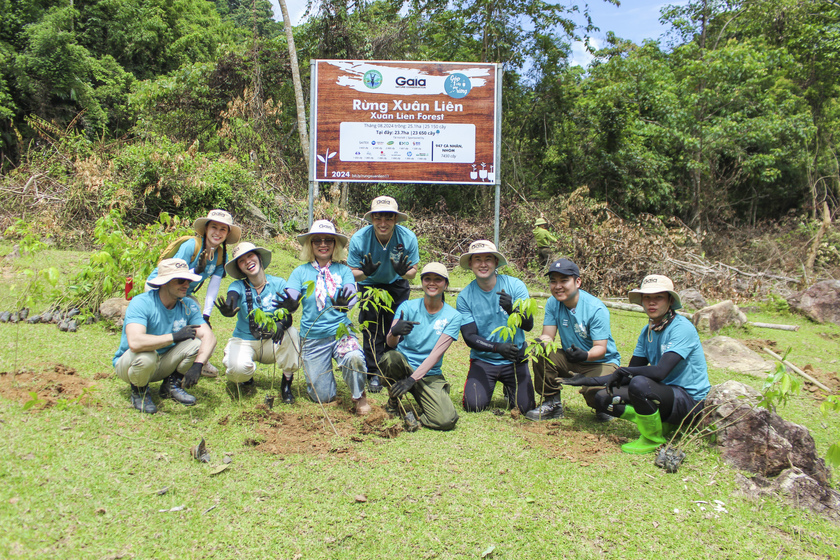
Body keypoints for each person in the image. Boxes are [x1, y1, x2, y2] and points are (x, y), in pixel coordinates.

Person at [562, 275, 711, 454]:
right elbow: (625, 375)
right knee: (601, 398)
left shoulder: (681, 328)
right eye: (647, 298)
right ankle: (661, 424)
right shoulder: (648, 331)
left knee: (639, 384)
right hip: (663, 393)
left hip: (689, 400)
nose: (652, 303)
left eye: (658, 297)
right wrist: (586, 380)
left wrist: (625, 371)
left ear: (670, 300)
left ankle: (653, 438)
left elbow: (660, 372)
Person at [286, 220, 370, 415]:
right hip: (313, 337)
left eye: (328, 241)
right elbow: (291, 294)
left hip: (340, 331)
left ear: (335, 245)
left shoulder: (344, 271)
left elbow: (351, 293)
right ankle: (327, 379)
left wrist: (345, 305)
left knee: (354, 357)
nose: (323, 244)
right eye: (317, 241)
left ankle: (359, 395)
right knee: (322, 397)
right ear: (310, 245)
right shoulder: (300, 272)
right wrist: (290, 304)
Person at [113, 258, 217, 413]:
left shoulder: (187, 304)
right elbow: (135, 342)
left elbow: (209, 337)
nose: (187, 285)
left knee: (197, 344)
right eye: (181, 281)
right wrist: (174, 337)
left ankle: (171, 385)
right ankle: (139, 391)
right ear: (165, 282)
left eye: (188, 280)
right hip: (131, 363)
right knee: (146, 356)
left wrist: (198, 364)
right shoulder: (141, 303)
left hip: (162, 363)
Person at [147, 209, 241, 378]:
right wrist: (195, 270)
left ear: (227, 234)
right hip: (160, 287)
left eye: (223, 229)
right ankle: (159, 358)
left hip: (183, 294)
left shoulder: (221, 255)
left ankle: (199, 359)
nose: (217, 233)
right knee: (170, 322)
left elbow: (213, 287)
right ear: (206, 229)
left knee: (198, 321)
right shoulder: (191, 246)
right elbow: (172, 277)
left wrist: (206, 315)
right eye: (214, 227)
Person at [526, 258, 621, 422]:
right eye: (553, 281)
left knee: (597, 396)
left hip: (601, 362)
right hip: (571, 358)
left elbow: (601, 348)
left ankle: (603, 406)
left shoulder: (595, 308)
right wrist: (541, 341)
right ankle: (552, 402)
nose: (558, 286)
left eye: (564, 280)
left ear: (577, 282)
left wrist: (584, 355)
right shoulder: (553, 303)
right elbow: (548, 336)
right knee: (541, 351)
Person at [347, 196, 420, 394]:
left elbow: (413, 272)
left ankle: (391, 369)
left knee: (395, 327)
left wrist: (402, 271)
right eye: (378, 218)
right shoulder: (359, 239)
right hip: (369, 285)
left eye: (388, 218)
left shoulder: (407, 238)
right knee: (371, 328)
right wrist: (366, 273)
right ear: (372, 219)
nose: (383, 223)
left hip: (396, 284)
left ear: (395, 219)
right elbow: (352, 272)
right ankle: (373, 373)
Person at [379, 263, 462, 431]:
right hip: (403, 366)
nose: (432, 283)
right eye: (427, 279)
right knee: (391, 357)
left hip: (430, 374)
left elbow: (435, 355)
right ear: (422, 282)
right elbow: (390, 344)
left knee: (446, 420)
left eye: (438, 280)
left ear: (446, 285)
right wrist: (394, 332)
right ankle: (393, 401)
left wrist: (412, 380)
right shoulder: (407, 307)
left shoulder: (453, 316)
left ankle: (415, 418)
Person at [214, 242, 302, 401]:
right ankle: (246, 378)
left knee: (292, 333)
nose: (247, 261)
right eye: (241, 261)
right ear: (239, 268)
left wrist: (282, 322)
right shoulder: (238, 286)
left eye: (250, 256)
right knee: (236, 371)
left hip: (272, 341)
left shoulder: (278, 283)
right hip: (245, 341)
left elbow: (288, 314)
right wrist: (228, 308)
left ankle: (286, 384)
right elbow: (232, 298)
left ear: (259, 258)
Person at [456, 240, 536, 413]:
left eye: (488, 259)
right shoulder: (465, 297)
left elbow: (529, 325)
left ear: (496, 262)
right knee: (474, 406)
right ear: (470, 264)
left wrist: (512, 309)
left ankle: (510, 388)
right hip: (484, 359)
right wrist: (497, 347)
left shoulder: (515, 286)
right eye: (477, 259)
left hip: (515, 359)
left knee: (526, 408)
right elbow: (469, 337)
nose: (483, 264)